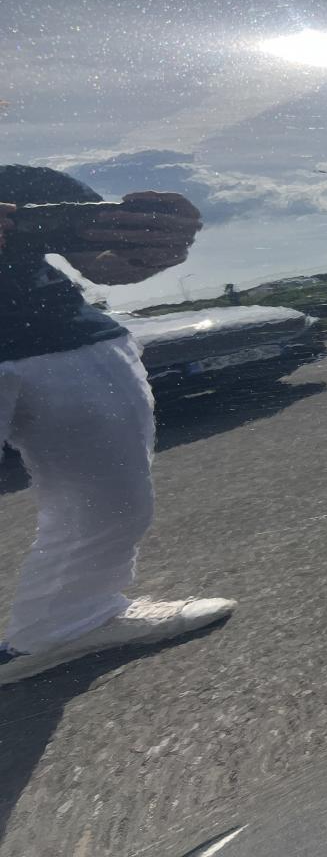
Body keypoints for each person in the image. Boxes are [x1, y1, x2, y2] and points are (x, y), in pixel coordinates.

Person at [0, 164, 235, 685]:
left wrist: (149, 251)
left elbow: (104, 267)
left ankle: (69, 622)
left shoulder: (26, 181)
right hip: (63, 343)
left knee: (112, 500)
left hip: (71, 341)